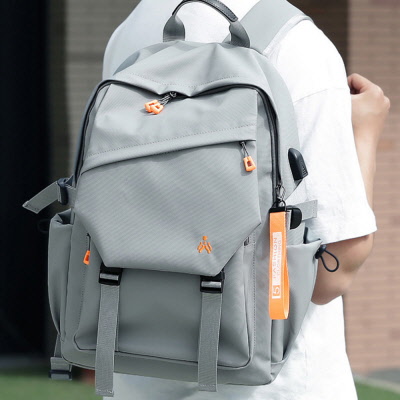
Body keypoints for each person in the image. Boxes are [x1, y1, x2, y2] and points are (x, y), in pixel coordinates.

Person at [101, 1, 390, 399]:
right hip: (274, 384)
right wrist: (366, 131)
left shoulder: (135, 28)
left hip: (138, 371)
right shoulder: (297, 45)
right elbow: (332, 274)